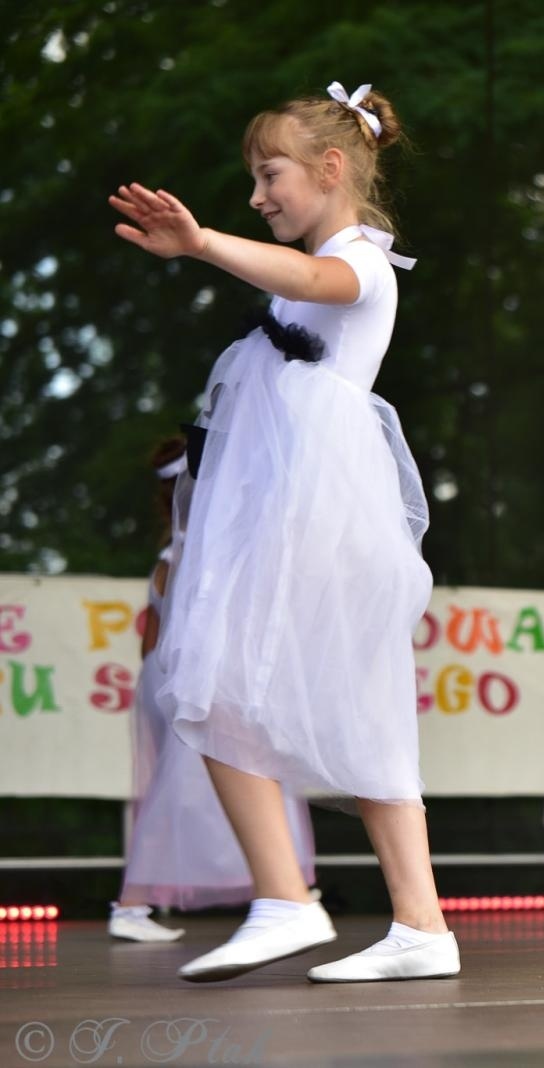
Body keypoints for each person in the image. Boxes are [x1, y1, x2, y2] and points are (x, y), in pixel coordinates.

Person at [111, 81, 457, 981]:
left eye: (271, 176)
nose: (257, 196)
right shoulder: (312, 274)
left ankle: (286, 900)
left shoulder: (361, 263)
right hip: (303, 508)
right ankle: (419, 926)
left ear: (331, 168)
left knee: (211, 678)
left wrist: (201, 243)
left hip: (320, 511)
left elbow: (310, 280)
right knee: (333, 706)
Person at [113, 437, 317, 943]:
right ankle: (132, 904)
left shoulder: (174, 552)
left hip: (165, 675)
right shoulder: (195, 552)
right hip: (190, 677)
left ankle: (284, 890)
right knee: (181, 791)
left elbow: (150, 638)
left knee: (193, 786)